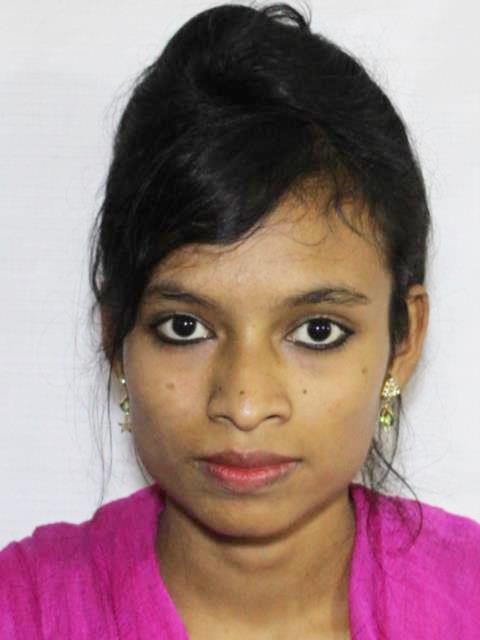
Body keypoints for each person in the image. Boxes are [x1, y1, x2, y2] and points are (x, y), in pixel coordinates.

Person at [1, 2, 479, 638]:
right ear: (115, 334)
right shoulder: (25, 613)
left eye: (317, 331)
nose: (246, 405)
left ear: (403, 341)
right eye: (185, 328)